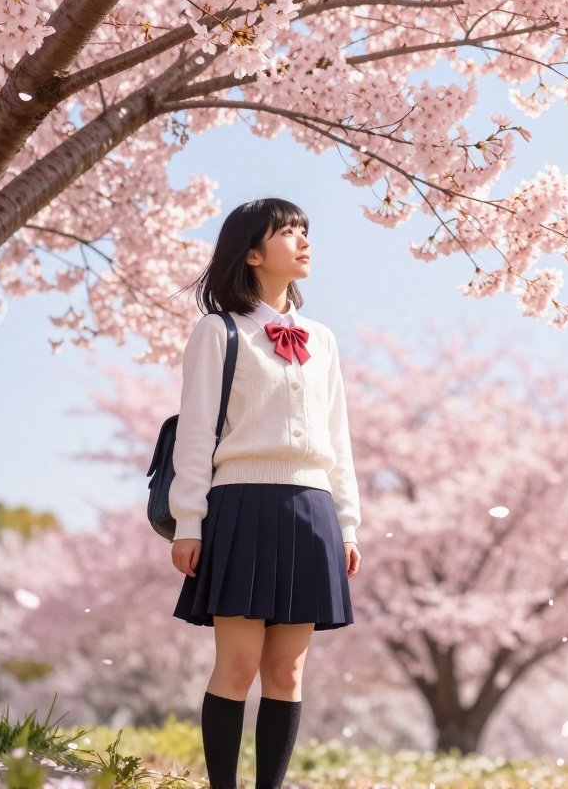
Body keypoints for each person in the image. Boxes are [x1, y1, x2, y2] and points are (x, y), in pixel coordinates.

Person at [167, 197, 361, 789]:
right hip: (241, 506)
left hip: (312, 510)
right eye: (288, 232)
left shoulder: (322, 339)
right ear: (252, 253)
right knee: (238, 665)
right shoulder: (218, 332)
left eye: (305, 230)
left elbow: (338, 437)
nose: (304, 241)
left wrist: (348, 524)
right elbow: (195, 432)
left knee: (287, 671)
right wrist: (188, 521)